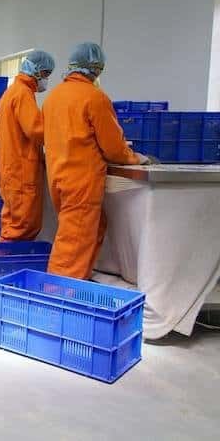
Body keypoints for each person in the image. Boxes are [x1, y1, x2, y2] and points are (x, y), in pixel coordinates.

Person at [42, 42, 151, 280]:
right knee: (74, 240)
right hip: (81, 181)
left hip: (58, 178)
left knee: (92, 227)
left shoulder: (53, 98)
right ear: (96, 68)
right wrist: (136, 159)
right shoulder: (94, 98)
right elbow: (113, 148)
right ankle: (59, 292)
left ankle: (79, 278)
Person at [0, 50, 55, 241]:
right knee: (22, 225)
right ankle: (10, 264)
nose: (46, 80)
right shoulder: (23, 94)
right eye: (45, 74)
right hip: (21, 170)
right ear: (35, 71)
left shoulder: (11, 93)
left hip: (9, 167)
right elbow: (36, 130)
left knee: (12, 219)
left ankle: (6, 263)